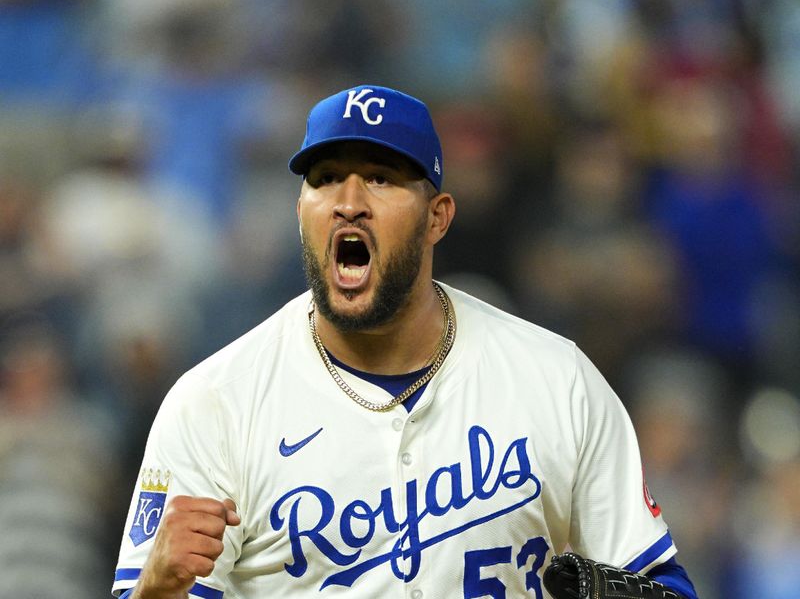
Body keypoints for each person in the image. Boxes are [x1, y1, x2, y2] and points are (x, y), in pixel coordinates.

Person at [111, 85, 698, 599]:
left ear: (437, 217)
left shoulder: (555, 379)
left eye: (380, 178)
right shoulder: (216, 402)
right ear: (301, 210)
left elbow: (661, 586)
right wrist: (154, 592)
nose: (348, 201)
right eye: (325, 179)